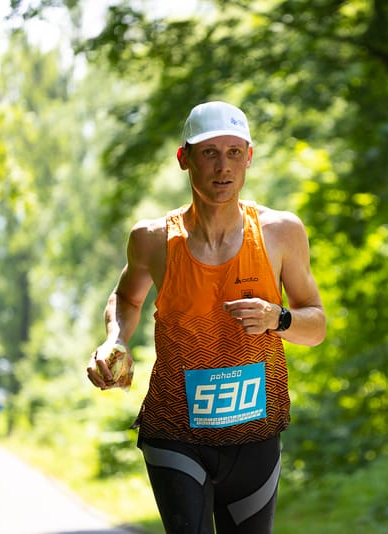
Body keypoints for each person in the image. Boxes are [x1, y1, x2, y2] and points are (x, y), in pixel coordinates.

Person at [86, 101, 326, 534]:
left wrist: (279, 318)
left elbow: (317, 325)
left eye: (234, 152)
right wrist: (115, 339)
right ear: (185, 159)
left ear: (249, 157)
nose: (223, 167)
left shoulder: (280, 233)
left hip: (254, 431)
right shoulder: (152, 239)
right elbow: (126, 298)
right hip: (174, 427)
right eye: (209, 153)